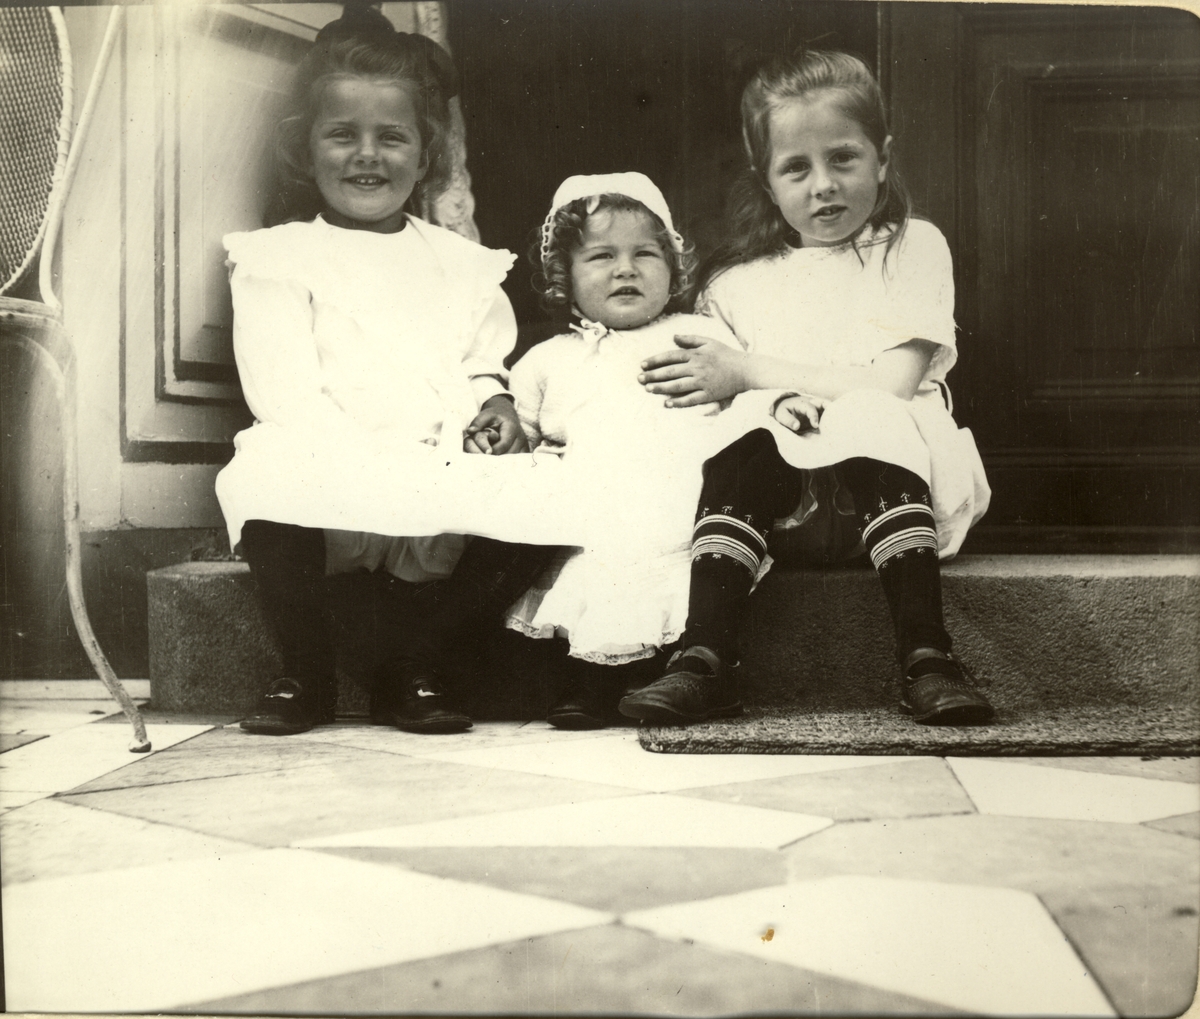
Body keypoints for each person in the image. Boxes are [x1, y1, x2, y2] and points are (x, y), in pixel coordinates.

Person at [215, 6, 573, 737]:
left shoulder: (459, 263)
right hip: (330, 463)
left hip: (436, 463)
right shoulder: (276, 257)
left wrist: (494, 404)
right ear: (305, 146)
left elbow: (480, 362)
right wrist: (372, 463)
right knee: (260, 472)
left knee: (553, 492)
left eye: (392, 137)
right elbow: (283, 394)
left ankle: (419, 662)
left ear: (426, 150)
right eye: (342, 134)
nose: (366, 156)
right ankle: (306, 670)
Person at [620, 49, 995, 727]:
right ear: (767, 183)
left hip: (892, 497)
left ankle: (927, 656)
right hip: (777, 515)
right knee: (745, 433)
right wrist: (765, 397)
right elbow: (716, 392)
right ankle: (705, 655)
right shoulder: (735, 286)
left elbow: (891, 383)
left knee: (873, 418)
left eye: (843, 158)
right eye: (797, 167)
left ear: (882, 158)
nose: (823, 185)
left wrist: (752, 372)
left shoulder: (911, 248)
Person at [504, 173, 744, 728]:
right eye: (601, 256)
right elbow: (522, 427)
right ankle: (586, 680)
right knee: (591, 582)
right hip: (594, 510)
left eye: (645, 253)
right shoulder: (549, 357)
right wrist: (505, 437)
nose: (626, 269)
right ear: (564, 276)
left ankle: (664, 671)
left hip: (676, 505)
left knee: (669, 582)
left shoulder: (697, 333)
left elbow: (744, 393)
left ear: (673, 266)